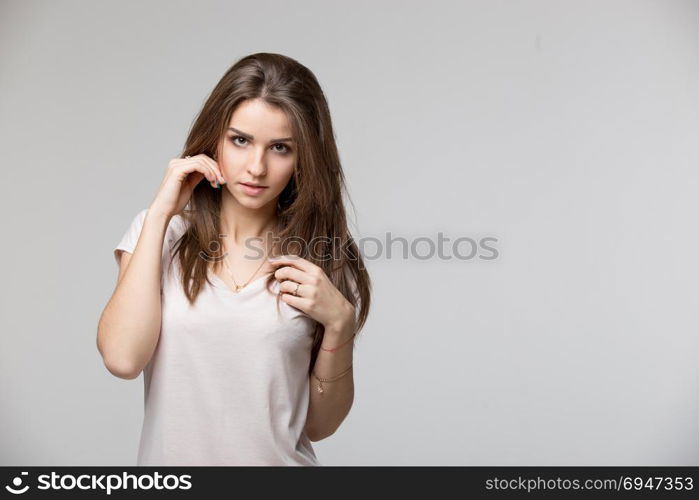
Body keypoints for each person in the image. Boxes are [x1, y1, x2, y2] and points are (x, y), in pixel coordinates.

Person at [96, 53, 371, 466]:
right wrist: (158, 214)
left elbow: (319, 426)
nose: (256, 167)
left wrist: (340, 324)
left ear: (304, 159)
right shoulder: (163, 236)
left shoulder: (323, 260)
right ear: (214, 140)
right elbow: (122, 358)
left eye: (280, 148)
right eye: (240, 140)